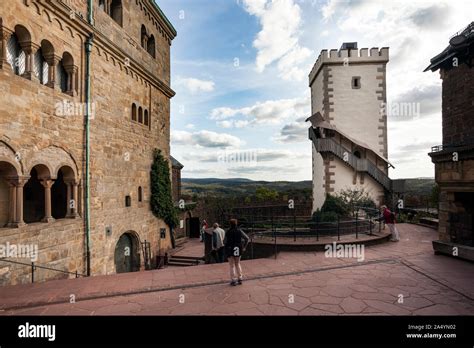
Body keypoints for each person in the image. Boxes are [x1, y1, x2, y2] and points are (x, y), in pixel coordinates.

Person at [224, 219, 250, 286]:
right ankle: (240, 278)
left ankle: (233, 280)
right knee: (238, 263)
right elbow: (247, 238)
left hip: (230, 249)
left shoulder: (228, 231)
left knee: (231, 265)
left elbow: (224, 241)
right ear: (236, 223)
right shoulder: (239, 231)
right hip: (238, 248)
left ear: (230, 224)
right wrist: (244, 247)